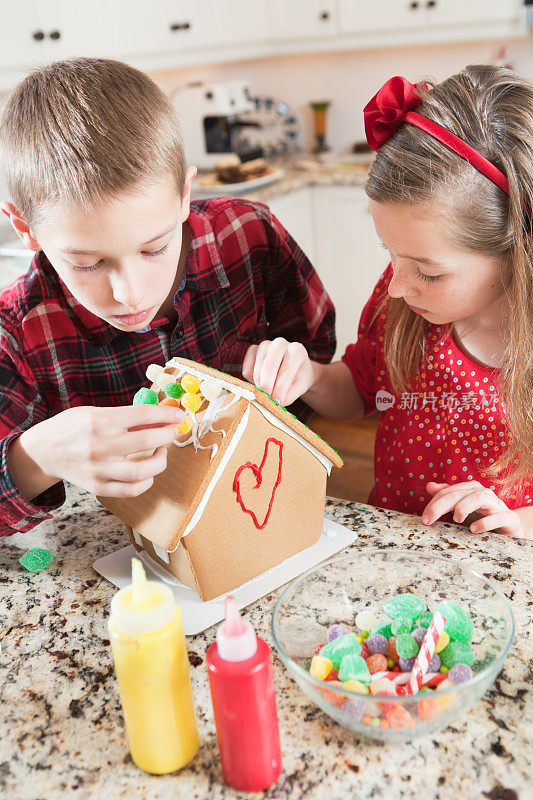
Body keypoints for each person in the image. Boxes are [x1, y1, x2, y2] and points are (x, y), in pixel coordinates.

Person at [0, 57, 335, 537]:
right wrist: (37, 457)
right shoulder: (17, 328)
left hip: (267, 506)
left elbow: (317, 349)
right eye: (88, 264)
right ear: (25, 228)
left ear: (183, 195)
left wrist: (302, 373)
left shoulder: (247, 234)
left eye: (154, 247)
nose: (130, 294)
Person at [243, 65, 533, 540]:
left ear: (517, 248)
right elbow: (361, 390)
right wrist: (309, 377)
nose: (396, 285)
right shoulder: (403, 303)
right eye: (390, 253)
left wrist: (516, 522)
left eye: (429, 271)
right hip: (396, 543)